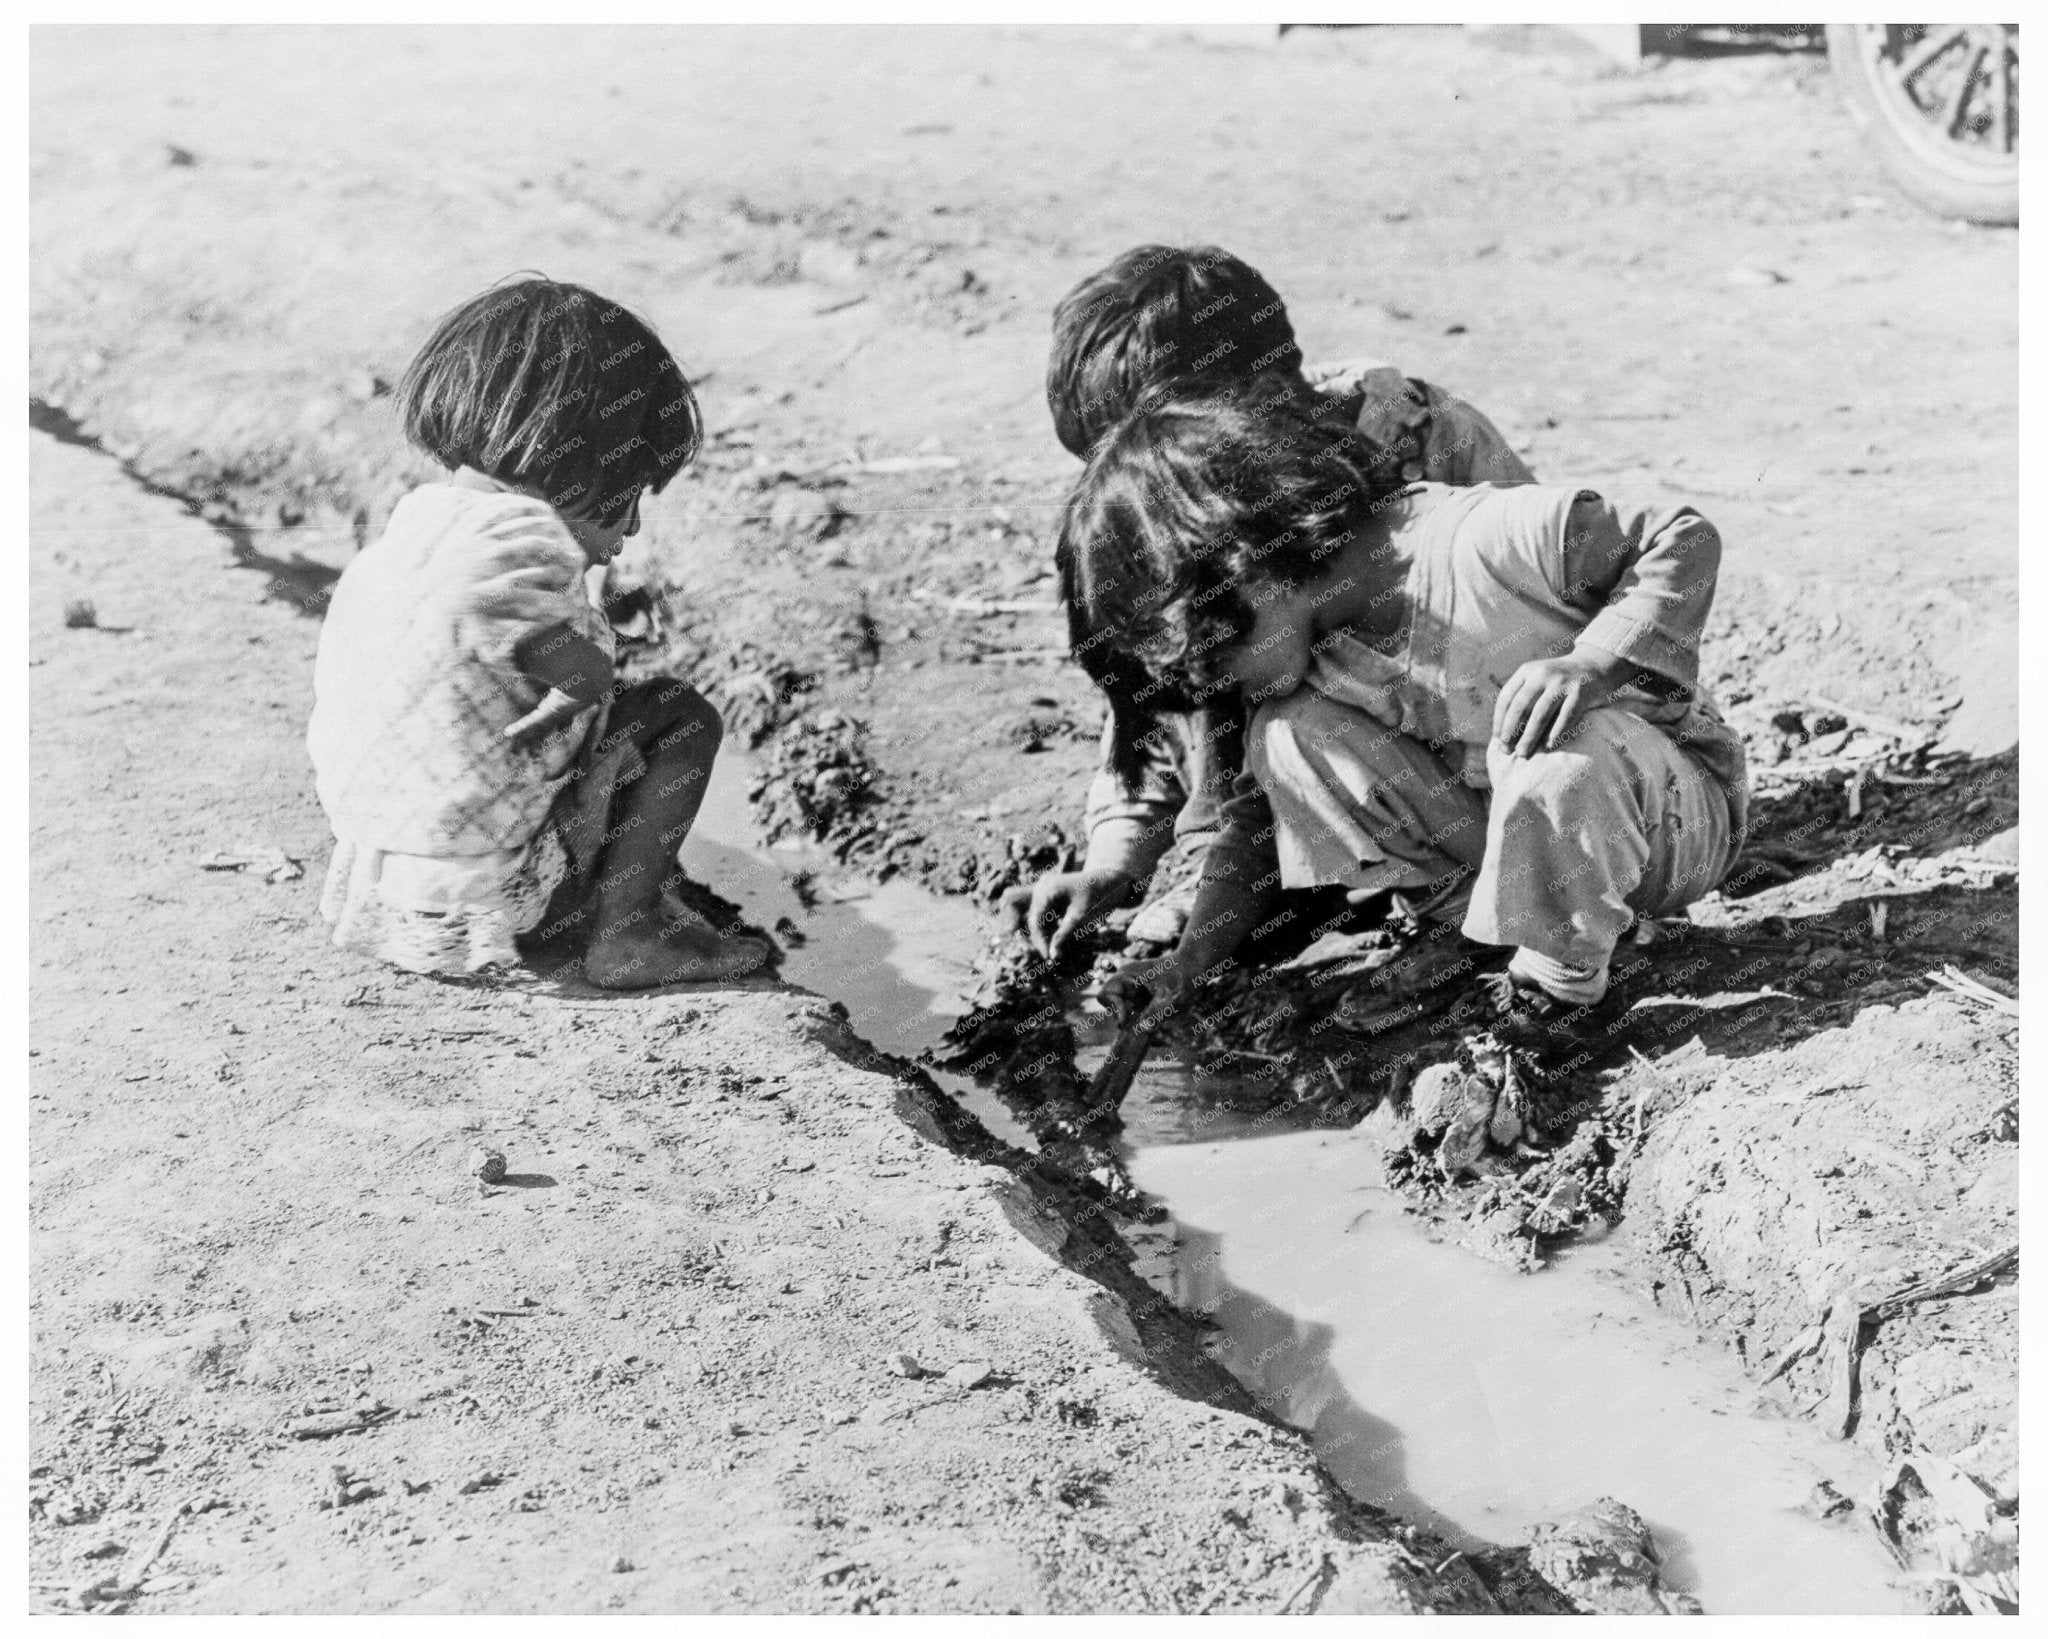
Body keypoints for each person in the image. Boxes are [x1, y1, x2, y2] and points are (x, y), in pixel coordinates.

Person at [1058, 388, 1748, 1048]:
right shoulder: (1308, 645)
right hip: (1518, 838)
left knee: (1561, 748)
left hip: (1668, 822)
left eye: (1213, 655)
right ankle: (1479, 933)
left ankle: (1552, 996)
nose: (1215, 683)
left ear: (1249, 563)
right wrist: (1190, 962)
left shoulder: (1485, 543)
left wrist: (1591, 666)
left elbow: (1680, 539)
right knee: (1288, 737)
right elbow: (1257, 821)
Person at [1008, 243, 1535, 958]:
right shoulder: (1165, 522)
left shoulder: (1424, 447)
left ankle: (1452, 893)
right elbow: (1156, 701)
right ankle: (1261, 868)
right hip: (1281, 800)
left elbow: (1548, 613)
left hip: (1460, 784)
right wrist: (1116, 859)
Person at [307, 276, 772, 988]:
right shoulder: (523, 566)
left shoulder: (402, 545)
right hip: (506, 906)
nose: (633, 529)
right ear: (590, 467)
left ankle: (618, 896)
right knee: (676, 718)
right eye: (631, 498)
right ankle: (629, 934)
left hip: (380, 892)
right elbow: (578, 715)